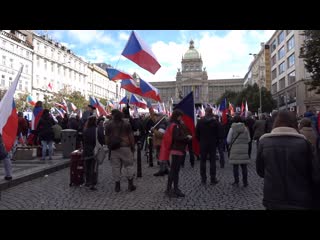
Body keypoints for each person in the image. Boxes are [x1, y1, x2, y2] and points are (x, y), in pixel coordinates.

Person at [256, 110, 320, 209]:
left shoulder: (264, 143)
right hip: (300, 198)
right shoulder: (304, 143)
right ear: (294, 123)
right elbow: (314, 173)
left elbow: (260, 171)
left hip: (273, 198)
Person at [105, 109, 136, 193]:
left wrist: (109, 145)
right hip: (125, 146)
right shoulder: (126, 124)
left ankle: (117, 185)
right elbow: (131, 136)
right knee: (129, 165)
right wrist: (133, 146)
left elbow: (107, 138)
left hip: (114, 148)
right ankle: (130, 184)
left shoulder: (108, 124)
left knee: (116, 166)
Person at [163, 109, 190, 197]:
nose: (181, 118)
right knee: (174, 171)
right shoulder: (175, 125)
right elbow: (176, 138)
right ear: (177, 116)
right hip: (176, 150)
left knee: (174, 170)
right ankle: (173, 189)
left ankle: (171, 189)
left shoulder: (173, 124)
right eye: (180, 116)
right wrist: (186, 138)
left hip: (175, 150)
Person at [196, 107, 222, 185]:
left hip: (203, 143)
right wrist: (216, 142)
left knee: (202, 161)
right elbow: (220, 134)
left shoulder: (200, 121)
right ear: (211, 112)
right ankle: (212, 179)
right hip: (212, 144)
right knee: (212, 162)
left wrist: (200, 141)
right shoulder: (216, 122)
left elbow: (197, 133)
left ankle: (203, 179)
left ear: (206, 112)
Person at [227, 115, 251, 187]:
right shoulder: (245, 129)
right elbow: (249, 140)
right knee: (244, 167)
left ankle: (236, 181)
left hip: (234, 149)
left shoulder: (232, 129)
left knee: (235, 166)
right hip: (243, 150)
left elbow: (228, 141)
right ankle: (245, 182)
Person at [83, 115, 105, 191]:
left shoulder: (85, 130)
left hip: (86, 150)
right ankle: (92, 183)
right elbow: (102, 139)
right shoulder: (97, 130)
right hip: (94, 150)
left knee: (87, 166)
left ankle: (87, 181)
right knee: (94, 167)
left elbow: (83, 140)